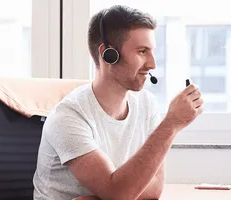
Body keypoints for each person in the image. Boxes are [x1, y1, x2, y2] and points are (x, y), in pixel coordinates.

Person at [33, 5, 203, 200]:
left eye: (151, 51)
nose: (152, 64)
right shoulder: (68, 117)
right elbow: (118, 195)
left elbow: (155, 186)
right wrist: (171, 124)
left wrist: (103, 197)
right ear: (108, 54)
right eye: (142, 51)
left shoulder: (147, 104)